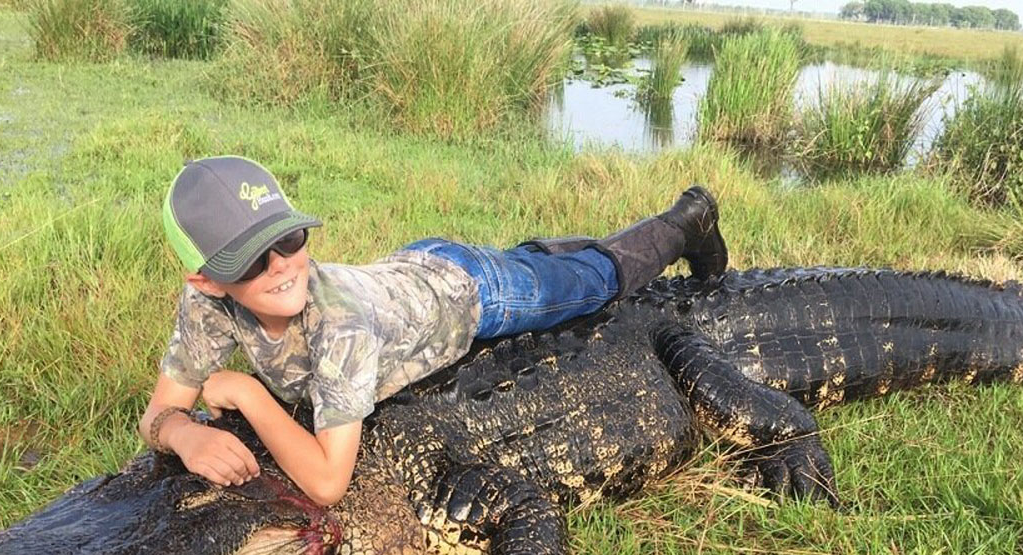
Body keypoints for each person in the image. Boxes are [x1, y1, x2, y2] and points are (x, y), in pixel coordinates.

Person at [140, 156, 728, 506]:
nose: (280, 265)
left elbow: (326, 483)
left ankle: (687, 220)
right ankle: (551, 254)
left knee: (593, 283)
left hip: (472, 294)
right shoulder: (206, 305)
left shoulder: (339, 324)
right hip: (409, 280)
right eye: (249, 259)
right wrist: (183, 436)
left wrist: (246, 391)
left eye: (288, 239)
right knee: (551, 268)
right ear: (207, 280)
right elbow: (160, 412)